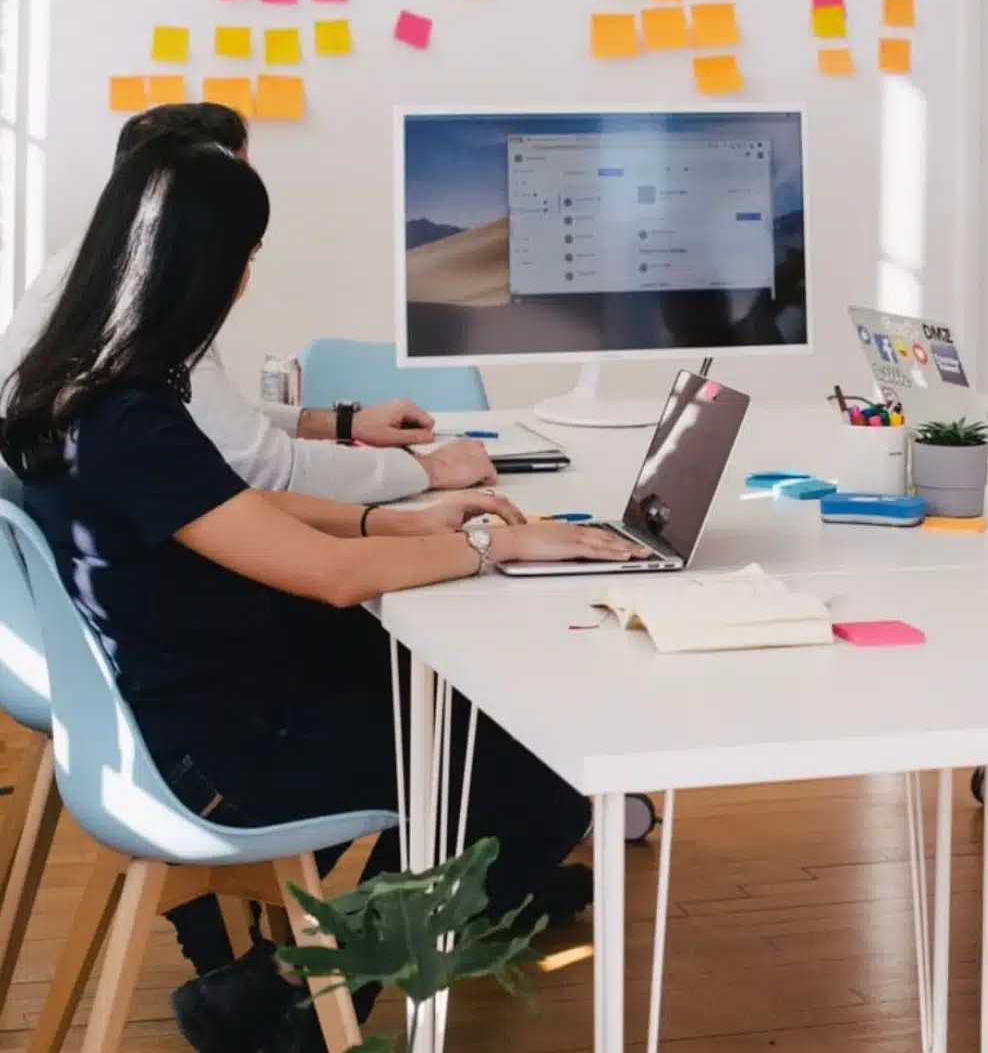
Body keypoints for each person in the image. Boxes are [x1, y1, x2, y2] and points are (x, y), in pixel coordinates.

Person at [0, 139, 647, 1053]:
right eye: (245, 258)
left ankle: (286, 983)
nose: (248, 279)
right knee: (536, 776)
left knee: (463, 712)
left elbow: (236, 509)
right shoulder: (131, 418)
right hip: (217, 757)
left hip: (185, 698)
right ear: (207, 268)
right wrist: (494, 544)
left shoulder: (77, 388)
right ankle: (307, 1008)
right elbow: (332, 581)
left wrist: (393, 524)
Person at [0, 103, 495, 505]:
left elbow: (202, 416)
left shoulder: (88, 273)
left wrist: (340, 423)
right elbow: (267, 468)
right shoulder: (137, 309)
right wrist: (427, 470)